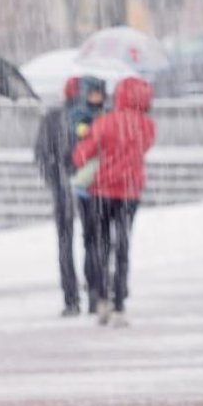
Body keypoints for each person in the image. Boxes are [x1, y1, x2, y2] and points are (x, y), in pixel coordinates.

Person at [72, 76, 155, 328]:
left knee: (102, 245)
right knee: (123, 246)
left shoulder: (105, 122)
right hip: (129, 192)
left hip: (102, 192)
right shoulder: (147, 126)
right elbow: (144, 147)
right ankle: (119, 303)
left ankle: (102, 299)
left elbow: (80, 156)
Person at [33, 76, 106, 317]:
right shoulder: (91, 117)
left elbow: (41, 154)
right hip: (89, 187)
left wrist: (54, 181)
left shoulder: (53, 118)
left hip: (63, 187)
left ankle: (71, 299)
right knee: (93, 239)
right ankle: (94, 291)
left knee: (66, 243)